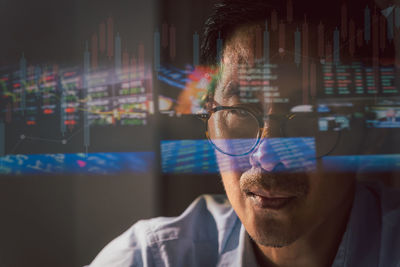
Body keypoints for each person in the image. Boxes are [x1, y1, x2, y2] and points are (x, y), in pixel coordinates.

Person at [87, 0, 400, 266]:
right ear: (208, 117)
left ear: (372, 129)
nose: (266, 156)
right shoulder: (154, 257)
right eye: (238, 110)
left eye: (309, 114)